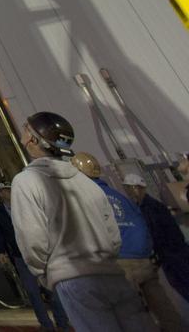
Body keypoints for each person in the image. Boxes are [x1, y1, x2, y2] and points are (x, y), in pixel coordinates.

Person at [10, 111, 155, 332]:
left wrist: (46, 272)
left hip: (74, 279)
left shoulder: (26, 182)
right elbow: (113, 235)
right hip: (113, 275)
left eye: (26, 129)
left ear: (33, 139)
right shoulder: (88, 183)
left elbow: (32, 238)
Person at [71, 154, 180, 328]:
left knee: (132, 313)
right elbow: (140, 223)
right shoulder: (119, 196)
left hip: (122, 262)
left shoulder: (86, 199)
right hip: (144, 259)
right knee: (162, 306)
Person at [0, 179, 70, 329]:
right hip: (20, 256)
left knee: (51, 290)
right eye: (6, 190)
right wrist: (1, 252)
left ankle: (62, 322)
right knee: (33, 293)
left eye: (10, 189)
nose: (9, 192)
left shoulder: (28, 205)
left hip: (39, 253)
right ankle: (46, 325)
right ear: (0, 193)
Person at [125, 172, 189, 307]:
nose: (129, 192)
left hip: (172, 253)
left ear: (137, 188)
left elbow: (157, 233)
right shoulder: (147, 206)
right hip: (172, 252)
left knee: (182, 282)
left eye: (130, 188)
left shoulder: (150, 208)